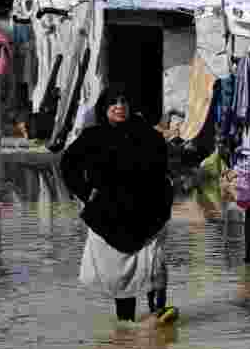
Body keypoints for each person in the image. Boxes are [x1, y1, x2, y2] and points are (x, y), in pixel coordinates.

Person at [61, 84, 177, 324]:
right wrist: (85, 194)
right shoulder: (92, 137)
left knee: (153, 268)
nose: (119, 107)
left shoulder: (148, 135)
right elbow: (68, 166)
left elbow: (166, 171)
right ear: (104, 107)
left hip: (148, 214)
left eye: (124, 101)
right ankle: (126, 330)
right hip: (110, 217)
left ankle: (158, 318)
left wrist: (165, 200)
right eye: (114, 102)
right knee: (120, 276)